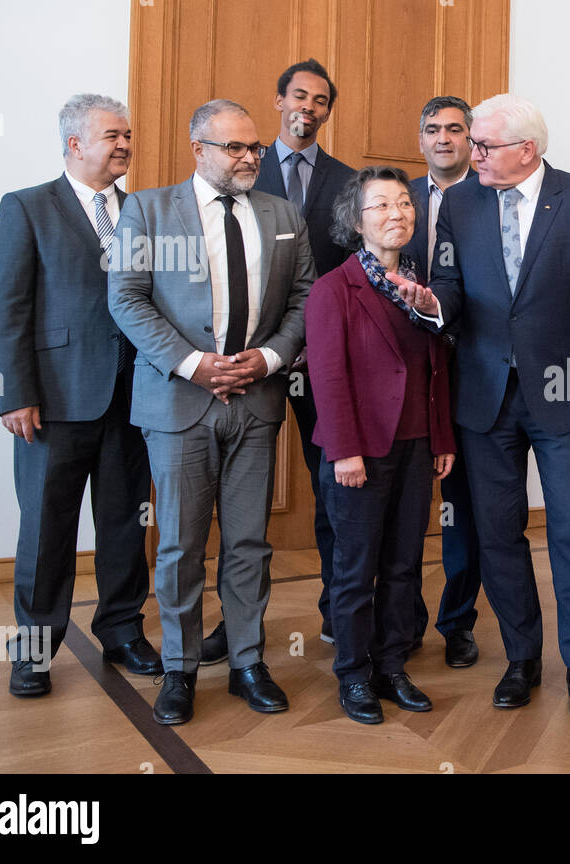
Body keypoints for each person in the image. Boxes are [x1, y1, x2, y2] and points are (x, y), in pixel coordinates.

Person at [393, 94, 570, 724]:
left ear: (526, 150)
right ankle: (522, 658)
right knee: (498, 533)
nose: (471, 155)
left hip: (563, 389)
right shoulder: (459, 203)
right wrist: (429, 300)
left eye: (483, 145)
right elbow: (449, 287)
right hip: (483, 394)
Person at [108, 99, 313, 725]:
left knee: (249, 543)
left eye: (253, 147)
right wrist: (195, 364)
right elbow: (127, 297)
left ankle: (248, 661)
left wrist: (271, 359)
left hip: (257, 401)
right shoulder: (147, 209)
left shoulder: (283, 214)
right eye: (234, 148)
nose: (250, 157)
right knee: (179, 546)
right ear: (199, 149)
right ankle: (180, 667)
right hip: (178, 401)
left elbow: (306, 298)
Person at [0, 93, 161, 697]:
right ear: (75, 144)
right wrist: (13, 395)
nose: (124, 145)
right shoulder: (28, 208)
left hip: (134, 399)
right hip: (52, 403)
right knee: (46, 529)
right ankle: (33, 651)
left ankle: (122, 631)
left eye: (128, 135)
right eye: (112, 135)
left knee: (124, 523)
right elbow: (5, 310)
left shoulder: (144, 211)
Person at [201, 59, 355, 664]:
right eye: (299, 95)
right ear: (278, 100)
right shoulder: (236, 173)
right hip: (252, 364)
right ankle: (237, 627)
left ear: (327, 111)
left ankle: (339, 614)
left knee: (334, 491)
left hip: (325, 363)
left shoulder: (348, 180)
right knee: (240, 504)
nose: (308, 107)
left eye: (320, 100)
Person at [306, 165, 455, 724]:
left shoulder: (425, 286)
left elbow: (437, 370)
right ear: (355, 220)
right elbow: (327, 375)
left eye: (404, 204)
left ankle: (392, 666)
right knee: (355, 568)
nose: (397, 214)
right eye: (382, 206)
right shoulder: (333, 288)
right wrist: (344, 450)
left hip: (418, 445)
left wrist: (441, 437)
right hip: (359, 452)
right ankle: (353, 675)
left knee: (403, 564)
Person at [401, 95, 484, 668]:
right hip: (405, 368)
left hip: (472, 367)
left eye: (456, 129)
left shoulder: (490, 195)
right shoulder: (393, 197)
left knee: (464, 508)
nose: (444, 138)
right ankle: (401, 622)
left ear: (472, 138)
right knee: (401, 504)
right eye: (433, 129)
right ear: (422, 137)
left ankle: (458, 622)